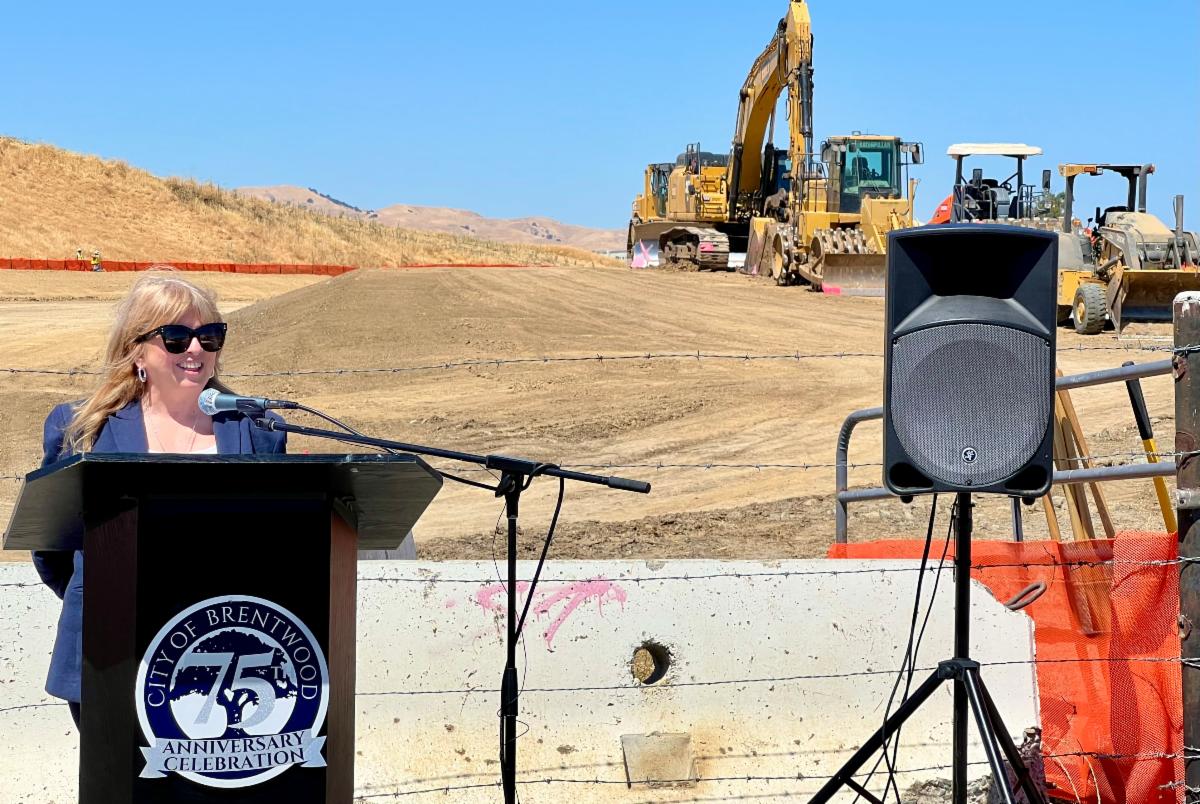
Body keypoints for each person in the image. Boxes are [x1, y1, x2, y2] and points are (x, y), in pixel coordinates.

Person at [31, 271, 286, 728]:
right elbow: (53, 547)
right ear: (137, 350)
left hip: (224, 655)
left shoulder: (257, 429)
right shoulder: (82, 431)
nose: (196, 350)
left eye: (210, 336)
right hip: (110, 652)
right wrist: (106, 597)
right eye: (176, 337)